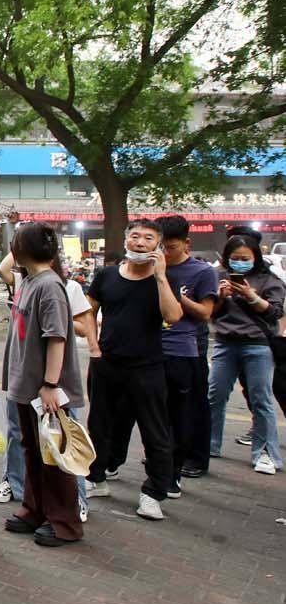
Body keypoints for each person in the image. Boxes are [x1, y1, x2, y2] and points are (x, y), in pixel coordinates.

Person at [84, 220, 182, 521]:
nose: (140, 242)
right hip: (107, 363)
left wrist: (161, 277)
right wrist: (93, 345)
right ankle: (95, 478)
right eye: (135, 236)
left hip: (147, 367)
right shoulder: (107, 276)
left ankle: (153, 492)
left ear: (158, 246)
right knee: (99, 424)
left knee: (154, 431)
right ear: (126, 241)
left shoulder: (165, 280)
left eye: (148, 238)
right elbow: (88, 309)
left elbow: (173, 316)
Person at [2, 223, 85, 546]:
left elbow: (56, 338)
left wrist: (51, 384)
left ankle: (65, 523)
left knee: (53, 455)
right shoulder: (29, 281)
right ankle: (35, 509)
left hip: (44, 389)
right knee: (33, 451)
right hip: (26, 385)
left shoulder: (49, 286)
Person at [206, 236, 286, 474]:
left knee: (261, 399)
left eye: (245, 259)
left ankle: (266, 453)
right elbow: (213, 314)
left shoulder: (269, 280)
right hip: (225, 344)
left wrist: (252, 296)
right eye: (235, 259)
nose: (239, 263)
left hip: (258, 345)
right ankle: (209, 444)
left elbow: (274, 313)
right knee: (215, 395)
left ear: (255, 258)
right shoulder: (220, 278)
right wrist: (221, 298)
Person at [156, 216, 219, 479]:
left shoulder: (202, 272)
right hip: (156, 347)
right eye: (160, 247)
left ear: (186, 244)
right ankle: (164, 458)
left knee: (193, 405)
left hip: (190, 345)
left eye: (170, 247)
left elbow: (205, 312)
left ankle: (196, 458)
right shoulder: (153, 268)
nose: (164, 253)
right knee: (162, 408)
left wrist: (174, 294)